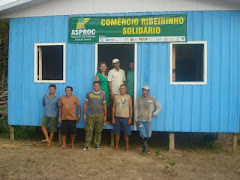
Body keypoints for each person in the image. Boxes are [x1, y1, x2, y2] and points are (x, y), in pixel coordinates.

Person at [135, 85, 162, 155]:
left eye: (145, 90)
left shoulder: (152, 99)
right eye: (143, 90)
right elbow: (136, 109)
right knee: (143, 134)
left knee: (148, 135)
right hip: (140, 120)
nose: (144, 92)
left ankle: (146, 149)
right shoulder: (138, 99)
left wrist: (154, 113)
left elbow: (159, 106)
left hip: (148, 120)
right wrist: (136, 118)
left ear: (148, 91)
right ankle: (144, 150)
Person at [83, 81, 107, 150]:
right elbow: (85, 104)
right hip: (90, 115)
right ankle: (87, 144)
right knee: (89, 130)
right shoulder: (89, 94)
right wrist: (84, 114)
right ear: (93, 86)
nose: (96, 87)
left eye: (98, 85)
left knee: (98, 130)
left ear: (100, 86)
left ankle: (97, 144)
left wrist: (105, 116)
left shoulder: (102, 94)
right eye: (95, 85)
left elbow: (104, 105)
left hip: (99, 115)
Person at [112, 84, 132, 152]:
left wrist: (130, 118)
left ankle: (127, 147)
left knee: (126, 133)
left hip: (125, 117)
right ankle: (117, 146)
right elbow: (114, 107)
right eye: (121, 88)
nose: (122, 90)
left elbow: (130, 108)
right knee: (117, 133)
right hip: (117, 117)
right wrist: (113, 117)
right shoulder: (116, 97)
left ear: (125, 89)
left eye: (123, 88)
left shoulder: (128, 97)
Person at [41, 84, 60, 149]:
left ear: (55, 90)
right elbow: (43, 104)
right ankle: (47, 138)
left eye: (53, 89)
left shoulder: (57, 97)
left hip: (53, 115)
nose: (51, 90)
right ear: (49, 89)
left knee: (52, 130)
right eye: (50, 89)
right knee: (43, 125)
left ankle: (49, 143)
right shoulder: (45, 96)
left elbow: (59, 106)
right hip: (46, 114)